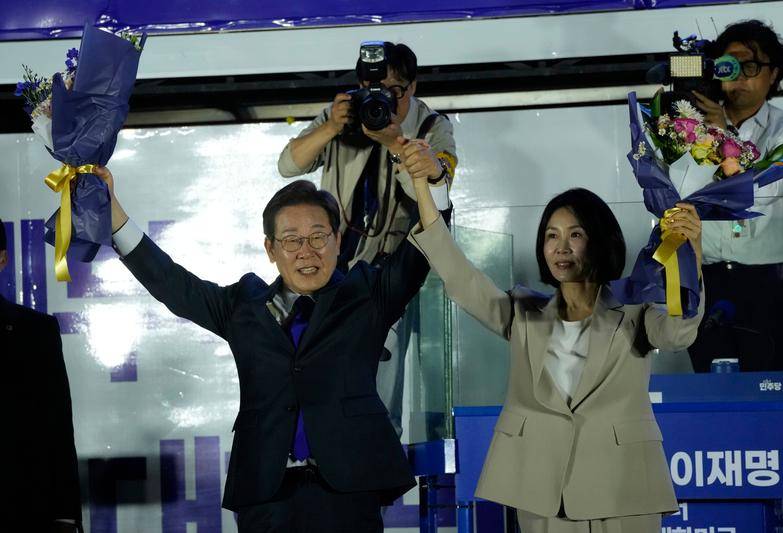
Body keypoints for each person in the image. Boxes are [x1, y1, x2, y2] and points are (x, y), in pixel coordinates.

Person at [96, 165, 449, 532]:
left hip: (350, 490)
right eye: (291, 240)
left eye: (318, 237)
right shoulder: (243, 305)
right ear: (270, 249)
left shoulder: (367, 294)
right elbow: (171, 282)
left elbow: (422, 254)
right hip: (266, 493)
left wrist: (434, 184)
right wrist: (112, 211)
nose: (306, 252)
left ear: (337, 240)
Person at [405, 155, 704, 532]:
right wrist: (422, 187)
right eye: (551, 235)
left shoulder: (636, 311)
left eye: (575, 235)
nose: (561, 247)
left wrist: (691, 253)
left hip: (625, 489)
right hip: (544, 493)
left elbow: (679, 332)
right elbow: (459, 275)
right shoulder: (523, 313)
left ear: (599, 240)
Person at [278, 41, 456, 435]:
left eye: (394, 91)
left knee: (379, 387)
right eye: (371, 88)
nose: (381, 100)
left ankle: (377, 461)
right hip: (331, 270)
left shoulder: (432, 128)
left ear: (413, 86)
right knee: (317, 377)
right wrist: (330, 127)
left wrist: (395, 143)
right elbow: (288, 164)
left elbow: (438, 195)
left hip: (387, 274)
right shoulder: (343, 113)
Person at [691, 19, 783, 398]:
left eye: (750, 66)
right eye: (728, 66)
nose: (738, 76)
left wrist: (723, 136)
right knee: (708, 394)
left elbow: (763, 192)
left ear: (774, 74)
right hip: (705, 278)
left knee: (770, 391)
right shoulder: (691, 129)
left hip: (766, 284)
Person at [1, 219, 83, 532]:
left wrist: (66, 515)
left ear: (2, 258)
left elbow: (57, 428)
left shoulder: (36, 331)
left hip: (21, 508)